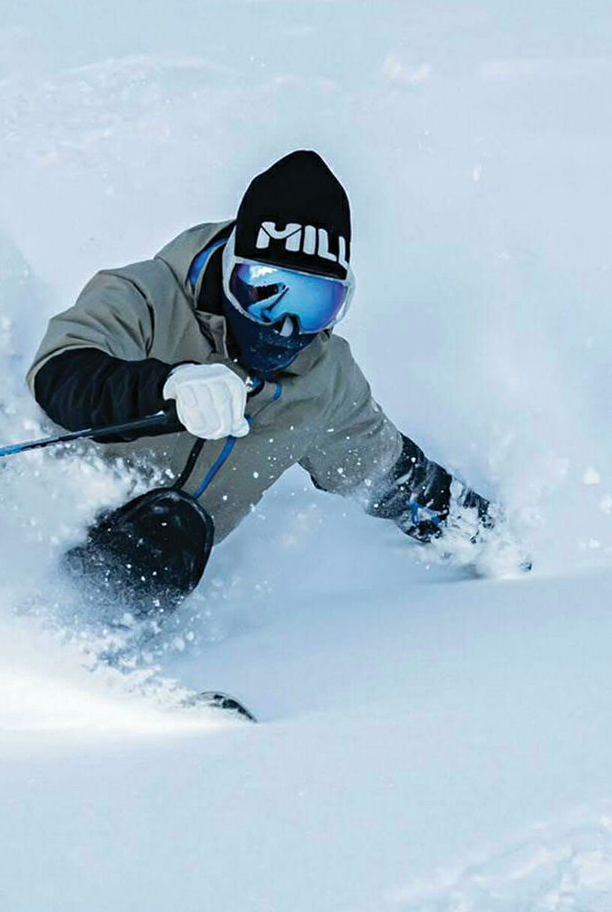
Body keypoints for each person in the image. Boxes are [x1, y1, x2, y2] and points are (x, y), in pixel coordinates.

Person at [27, 150, 505, 616]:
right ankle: (30, 630)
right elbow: (59, 372)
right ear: (230, 270)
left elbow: (393, 477)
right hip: (40, 520)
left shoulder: (325, 381)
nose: (285, 327)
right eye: (266, 293)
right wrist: (164, 385)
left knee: (173, 528)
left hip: (155, 561)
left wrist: (499, 542)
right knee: (167, 525)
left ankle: (77, 644)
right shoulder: (147, 297)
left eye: (314, 305)